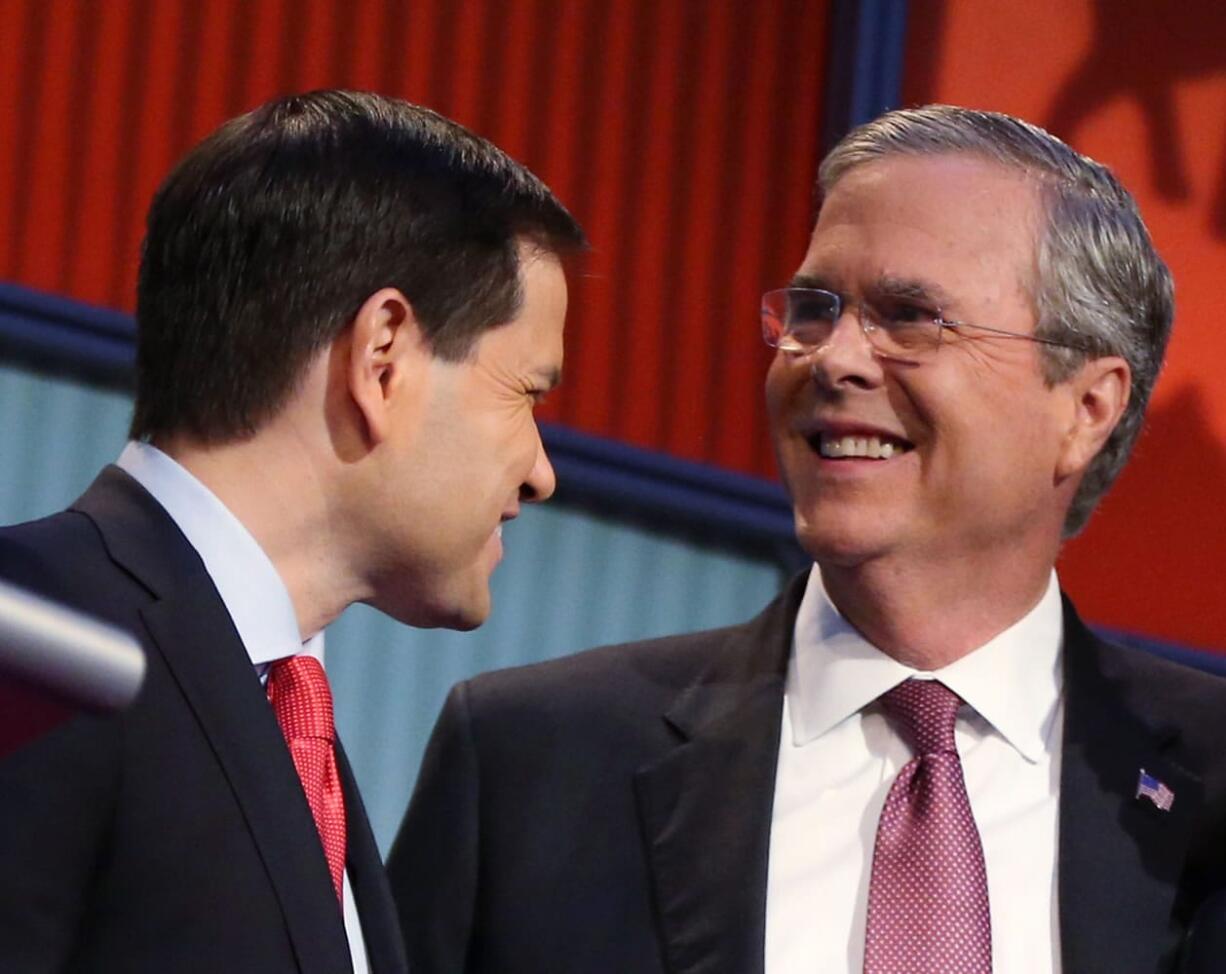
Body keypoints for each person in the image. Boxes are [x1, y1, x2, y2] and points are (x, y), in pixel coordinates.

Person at [387, 105, 1226, 974]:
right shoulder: (534, 763)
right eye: (816, 310)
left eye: (909, 317)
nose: (833, 358)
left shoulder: (1211, 790)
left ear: (1085, 409)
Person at [0, 89, 585, 974]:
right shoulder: (35, 637)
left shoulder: (287, 729)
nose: (541, 471)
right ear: (381, 358)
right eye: (527, 393)